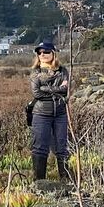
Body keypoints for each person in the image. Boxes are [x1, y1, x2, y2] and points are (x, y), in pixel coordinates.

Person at [28, 40, 72, 182]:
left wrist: (46, 88)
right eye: (39, 52)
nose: (42, 54)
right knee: (40, 147)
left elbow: (66, 91)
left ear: (53, 53)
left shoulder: (63, 70)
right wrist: (58, 90)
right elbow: (37, 94)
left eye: (46, 51)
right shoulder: (36, 72)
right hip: (41, 113)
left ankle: (65, 180)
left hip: (60, 113)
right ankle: (39, 181)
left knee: (62, 148)